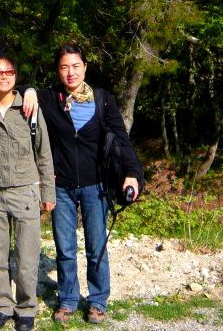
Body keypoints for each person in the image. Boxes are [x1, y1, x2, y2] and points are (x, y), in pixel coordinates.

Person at [36, 43, 143, 325]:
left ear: (85, 67)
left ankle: (97, 301)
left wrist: (132, 173)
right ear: (58, 71)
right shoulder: (50, 98)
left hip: (96, 185)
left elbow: (121, 137)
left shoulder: (102, 99)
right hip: (62, 185)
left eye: (75, 66)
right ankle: (68, 299)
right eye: (63, 67)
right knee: (65, 248)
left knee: (97, 245)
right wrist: (31, 93)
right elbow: (17, 87)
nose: (70, 72)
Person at [0, 54, 56, 331]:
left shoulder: (28, 108)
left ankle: (26, 309)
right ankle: (3, 306)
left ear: (16, 76)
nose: (4, 76)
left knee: (27, 256)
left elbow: (44, 152)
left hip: (25, 191)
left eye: (9, 71)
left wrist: (48, 192)